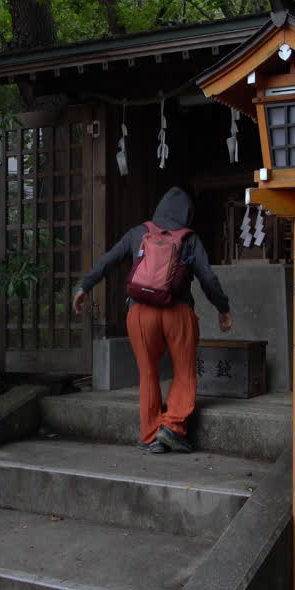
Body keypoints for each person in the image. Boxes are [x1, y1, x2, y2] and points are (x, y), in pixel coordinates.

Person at [73, 187, 232, 454]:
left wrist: (84, 287)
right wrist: (223, 308)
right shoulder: (189, 238)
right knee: (183, 371)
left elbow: (108, 261)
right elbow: (208, 279)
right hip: (178, 312)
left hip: (139, 313)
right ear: (187, 214)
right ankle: (172, 427)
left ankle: (149, 435)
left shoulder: (138, 233)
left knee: (148, 373)